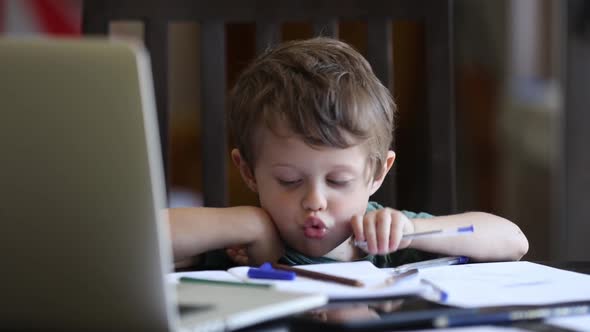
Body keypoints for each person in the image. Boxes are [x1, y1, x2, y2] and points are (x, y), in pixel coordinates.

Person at [168, 37, 528, 270]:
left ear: (377, 173)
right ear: (247, 171)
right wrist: (249, 223)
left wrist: (414, 230)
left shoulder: (383, 240)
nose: (314, 201)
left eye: (338, 180)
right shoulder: (239, 244)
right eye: (289, 180)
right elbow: (132, 240)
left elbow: (513, 241)